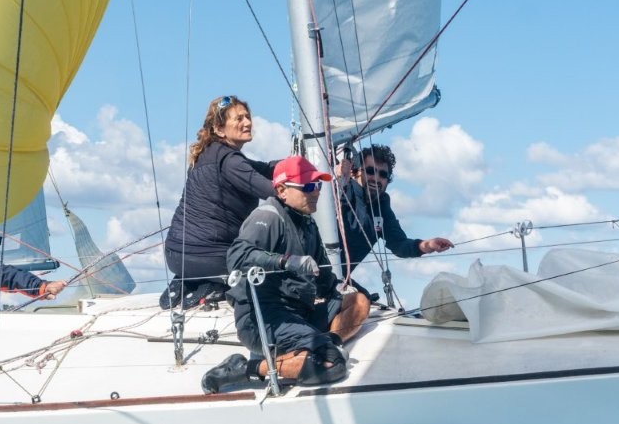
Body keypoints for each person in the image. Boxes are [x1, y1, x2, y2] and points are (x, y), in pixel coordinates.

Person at [202, 157, 347, 393]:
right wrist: (286, 261)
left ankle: (319, 343)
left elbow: (323, 277)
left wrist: (337, 290)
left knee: (357, 303)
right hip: (264, 318)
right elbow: (237, 256)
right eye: (308, 186)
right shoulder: (268, 216)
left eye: (318, 185)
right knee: (332, 363)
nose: (316, 192)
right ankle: (244, 368)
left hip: (299, 313)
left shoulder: (308, 223)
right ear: (282, 190)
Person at [163, 95, 279, 309]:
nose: (247, 122)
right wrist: (309, 184)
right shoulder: (230, 161)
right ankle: (213, 284)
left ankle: (189, 281)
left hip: (175, 256)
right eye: (239, 118)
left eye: (247, 116)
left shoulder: (208, 154)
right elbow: (276, 192)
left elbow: (264, 168)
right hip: (210, 259)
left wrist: (297, 163)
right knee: (274, 274)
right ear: (219, 129)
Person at [331, 143, 454, 338]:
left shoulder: (382, 204)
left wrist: (426, 246)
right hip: (314, 275)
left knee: (366, 302)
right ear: (355, 171)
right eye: (370, 171)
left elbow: (398, 243)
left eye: (383, 175)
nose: (376, 178)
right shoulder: (341, 190)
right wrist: (337, 181)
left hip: (340, 279)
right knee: (361, 302)